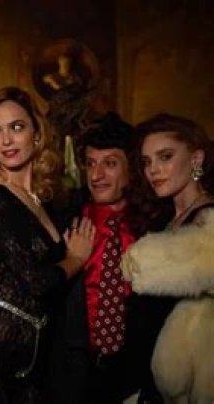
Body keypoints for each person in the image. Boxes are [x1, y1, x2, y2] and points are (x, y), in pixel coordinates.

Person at [0, 86, 95, 403]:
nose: (6, 140)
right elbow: (35, 281)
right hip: (1, 357)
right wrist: (76, 259)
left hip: (37, 352)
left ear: (37, 133)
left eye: (17, 127)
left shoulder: (39, 199)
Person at [50, 113, 144, 404]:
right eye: (91, 163)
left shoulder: (152, 224)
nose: (96, 175)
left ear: (132, 168)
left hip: (137, 370)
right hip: (75, 373)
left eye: (110, 164)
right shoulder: (65, 221)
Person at [121, 114, 214, 404]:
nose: (154, 170)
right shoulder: (163, 220)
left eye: (165, 157)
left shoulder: (208, 222)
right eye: (147, 162)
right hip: (147, 379)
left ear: (196, 159)